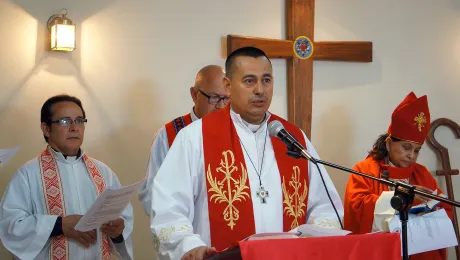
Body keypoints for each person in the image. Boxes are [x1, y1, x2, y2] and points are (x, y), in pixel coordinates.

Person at [150, 47, 344, 260]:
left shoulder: (292, 137)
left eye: (266, 80)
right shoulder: (195, 137)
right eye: (250, 81)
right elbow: (169, 210)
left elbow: (325, 208)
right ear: (228, 85)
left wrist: (313, 238)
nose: (260, 90)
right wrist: (190, 246)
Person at [0, 94, 134, 260]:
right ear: (46, 129)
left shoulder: (103, 172)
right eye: (64, 121)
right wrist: (59, 225)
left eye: (79, 120)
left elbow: (123, 218)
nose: (74, 127)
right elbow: (10, 226)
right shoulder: (27, 174)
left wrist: (117, 231)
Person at [343, 92, 453, 260]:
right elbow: (356, 208)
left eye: (417, 150)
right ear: (388, 143)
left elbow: (445, 209)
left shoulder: (421, 173)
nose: (411, 156)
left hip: (418, 252)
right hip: (380, 252)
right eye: (406, 147)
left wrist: (432, 213)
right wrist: (402, 196)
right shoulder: (364, 169)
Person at [138, 65, 230, 215]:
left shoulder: (238, 133)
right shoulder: (168, 135)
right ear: (194, 95)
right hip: (188, 231)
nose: (221, 106)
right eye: (214, 98)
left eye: (226, 98)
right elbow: (151, 193)